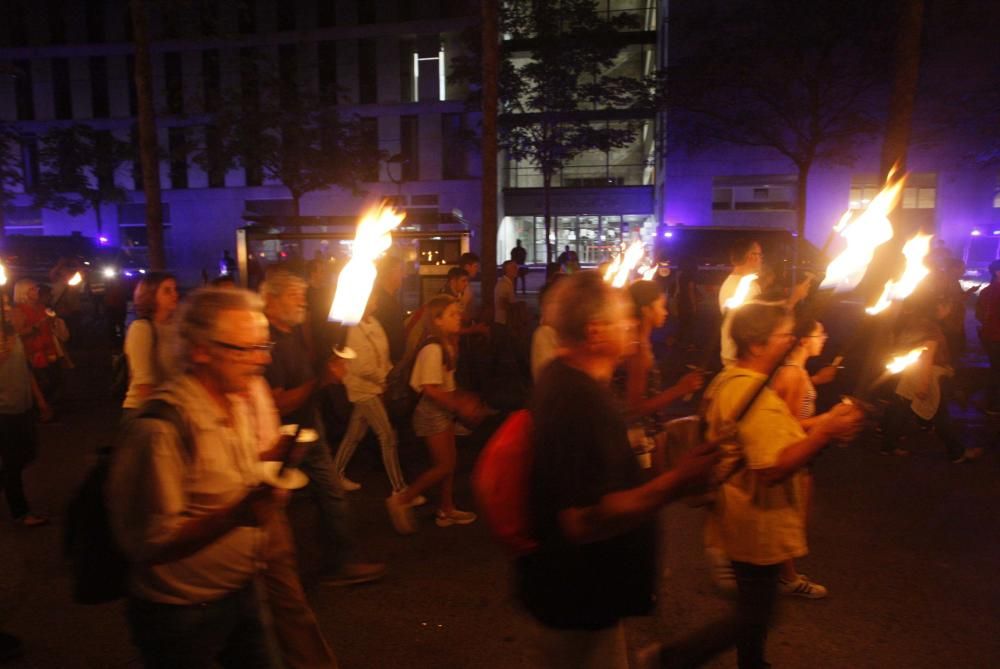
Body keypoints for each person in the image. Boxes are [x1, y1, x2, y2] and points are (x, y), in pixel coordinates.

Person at [519, 271, 719, 668]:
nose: (632, 325)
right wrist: (677, 481)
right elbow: (582, 518)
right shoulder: (578, 400)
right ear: (594, 333)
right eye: (622, 318)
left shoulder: (572, 383)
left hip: (574, 596)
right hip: (574, 601)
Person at [108, 287, 284, 668]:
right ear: (200, 350)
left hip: (244, 591)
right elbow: (151, 541)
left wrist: (277, 466)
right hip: (181, 613)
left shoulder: (236, 401)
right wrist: (237, 515)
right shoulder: (160, 429)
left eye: (263, 345)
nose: (263, 359)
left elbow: (233, 477)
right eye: (245, 349)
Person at [703, 302, 863, 669]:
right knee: (755, 613)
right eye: (784, 335)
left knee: (756, 610)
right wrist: (826, 432)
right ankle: (674, 657)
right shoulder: (750, 392)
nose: (792, 340)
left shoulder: (738, 381)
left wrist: (823, 422)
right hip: (753, 520)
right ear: (756, 345)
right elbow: (772, 467)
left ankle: (753, 663)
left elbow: (777, 436)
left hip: (743, 518)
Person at [260, 267, 385, 585]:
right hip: (284, 434)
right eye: (293, 295)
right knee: (273, 499)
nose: (302, 301)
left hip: (308, 425)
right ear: (271, 300)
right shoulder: (267, 344)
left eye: (302, 295)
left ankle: (338, 562)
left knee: (329, 492)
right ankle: (269, 569)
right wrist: (322, 380)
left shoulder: (294, 333)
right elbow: (279, 403)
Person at [385, 295, 488, 534]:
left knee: (449, 464)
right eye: (452, 314)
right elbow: (429, 388)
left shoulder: (446, 344)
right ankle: (402, 499)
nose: (459, 317)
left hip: (442, 413)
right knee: (444, 465)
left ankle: (446, 508)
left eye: (458, 313)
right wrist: (459, 405)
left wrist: (461, 399)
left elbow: (446, 384)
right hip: (432, 415)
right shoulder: (433, 348)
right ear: (437, 320)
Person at [770, 318, 839, 599]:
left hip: (798, 452)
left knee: (791, 517)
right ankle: (787, 578)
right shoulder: (793, 374)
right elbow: (789, 424)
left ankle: (780, 573)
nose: (824, 337)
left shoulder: (795, 372)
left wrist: (817, 381)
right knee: (792, 519)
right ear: (802, 340)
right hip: (795, 453)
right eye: (819, 333)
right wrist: (831, 419)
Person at [881, 293, 983, 463]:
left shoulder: (914, 322)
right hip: (925, 373)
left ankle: (887, 445)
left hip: (911, 372)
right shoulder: (930, 328)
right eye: (947, 305)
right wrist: (924, 383)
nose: (949, 309)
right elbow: (926, 356)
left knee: (902, 407)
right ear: (937, 308)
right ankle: (957, 452)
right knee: (939, 413)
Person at [331, 291, 411, 497]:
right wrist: (384, 379)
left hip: (374, 386)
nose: (375, 300)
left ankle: (334, 476)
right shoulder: (353, 328)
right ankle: (400, 489)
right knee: (386, 435)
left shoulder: (373, 322)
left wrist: (389, 373)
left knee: (354, 435)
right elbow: (362, 366)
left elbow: (382, 353)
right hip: (362, 388)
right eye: (371, 297)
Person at [1, 299, 53, 528]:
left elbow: (24, 368)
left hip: (22, 407)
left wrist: (40, 401)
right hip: (4, 411)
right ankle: (21, 512)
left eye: (6, 305)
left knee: (26, 455)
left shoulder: (12, 333)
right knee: (12, 462)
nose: (7, 309)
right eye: (2, 306)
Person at [122, 273, 179, 420]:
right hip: (145, 412)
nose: (175, 294)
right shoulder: (141, 329)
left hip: (171, 408)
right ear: (151, 295)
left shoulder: (175, 328)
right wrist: (159, 416)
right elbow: (144, 382)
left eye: (175, 289)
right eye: (167, 291)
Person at [10, 279, 64, 402]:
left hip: (48, 349)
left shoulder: (41, 307)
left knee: (55, 378)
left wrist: (52, 321)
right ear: (24, 292)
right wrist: (36, 327)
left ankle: (50, 406)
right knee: (42, 382)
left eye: (36, 288)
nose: (37, 291)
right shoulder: (19, 310)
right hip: (34, 352)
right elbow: (17, 334)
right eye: (33, 289)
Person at [718, 240, 764, 366]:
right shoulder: (738, 286)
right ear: (750, 256)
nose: (761, 259)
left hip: (740, 355)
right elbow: (750, 324)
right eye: (759, 255)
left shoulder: (746, 283)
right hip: (738, 357)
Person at [975, 259, 1000, 414]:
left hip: (989, 335)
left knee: (995, 369)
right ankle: (994, 404)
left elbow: (979, 314)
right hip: (997, 336)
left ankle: (990, 402)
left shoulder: (986, 291)